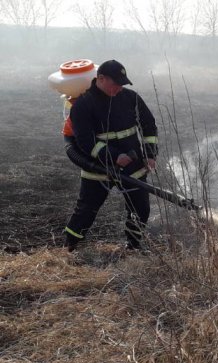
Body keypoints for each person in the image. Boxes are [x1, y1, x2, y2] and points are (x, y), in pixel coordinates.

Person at [62, 60, 158, 251]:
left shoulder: (131, 98)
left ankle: (133, 247)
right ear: (101, 79)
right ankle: (69, 248)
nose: (119, 88)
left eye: (122, 84)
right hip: (98, 169)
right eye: (116, 84)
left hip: (133, 167)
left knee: (141, 209)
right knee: (86, 211)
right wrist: (114, 156)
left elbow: (148, 126)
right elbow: (85, 141)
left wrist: (150, 154)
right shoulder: (83, 105)